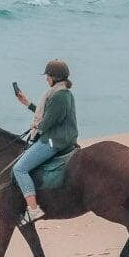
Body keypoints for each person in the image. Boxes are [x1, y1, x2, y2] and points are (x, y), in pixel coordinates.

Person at [12, 61, 78, 226]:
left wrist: (35, 128)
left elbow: (46, 122)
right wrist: (27, 103)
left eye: (48, 76)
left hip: (54, 140)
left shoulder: (58, 96)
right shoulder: (63, 93)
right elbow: (48, 115)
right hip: (62, 137)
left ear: (55, 77)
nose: (46, 79)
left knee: (19, 169)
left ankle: (33, 209)